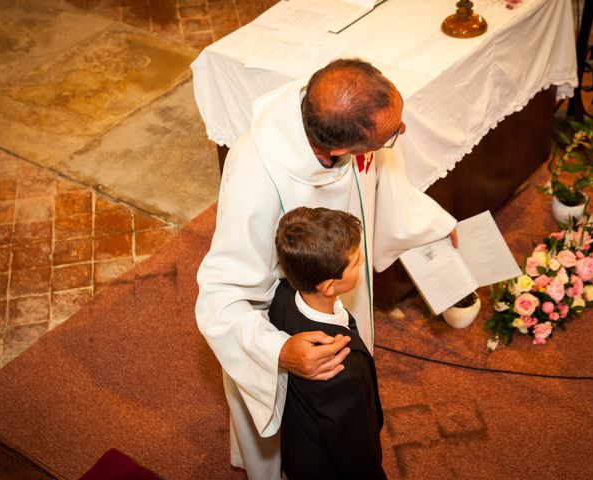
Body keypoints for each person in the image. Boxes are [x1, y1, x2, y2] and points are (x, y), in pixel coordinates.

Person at [195, 58, 457, 479]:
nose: (402, 134)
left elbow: (383, 186)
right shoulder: (257, 175)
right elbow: (221, 297)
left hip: (342, 295)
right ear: (339, 150)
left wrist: (432, 227)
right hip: (289, 328)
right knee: (302, 449)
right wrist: (279, 352)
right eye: (390, 136)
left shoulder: (341, 110)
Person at [270, 206, 386, 480]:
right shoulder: (341, 366)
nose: (361, 263)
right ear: (331, 286)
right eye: (356, 262)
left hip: (299, 446)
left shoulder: (283, 297)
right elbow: (354, 448)